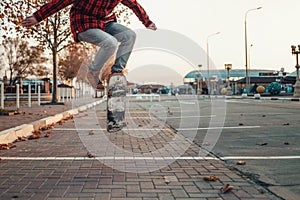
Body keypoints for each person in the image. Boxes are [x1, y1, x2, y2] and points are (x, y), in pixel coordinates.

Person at [22, 0, 157, 89]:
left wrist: (147, 22)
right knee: (110, 43)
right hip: (83, 23)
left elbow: (134, 5)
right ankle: (92, 73)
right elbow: (60, 2)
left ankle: (116, 74)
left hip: (105, 22)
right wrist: (37, 17)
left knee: (129, 35)